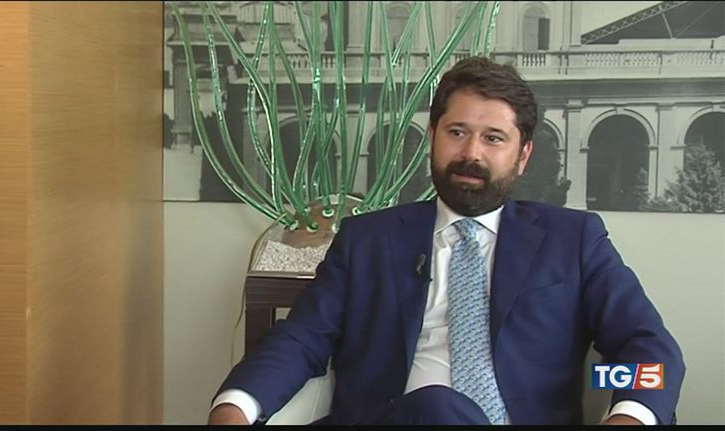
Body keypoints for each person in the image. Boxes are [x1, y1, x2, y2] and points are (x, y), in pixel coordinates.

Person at [207, 57, 685, 425]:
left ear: (522, 156)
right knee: (435, 407)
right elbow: (302, 339)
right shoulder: (368, 239)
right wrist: (235, 406)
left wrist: (628, 415)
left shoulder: (573, 240)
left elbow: (648, 349)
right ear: (433, 137)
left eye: (493, 138)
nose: (471, 153)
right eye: (457, 132)